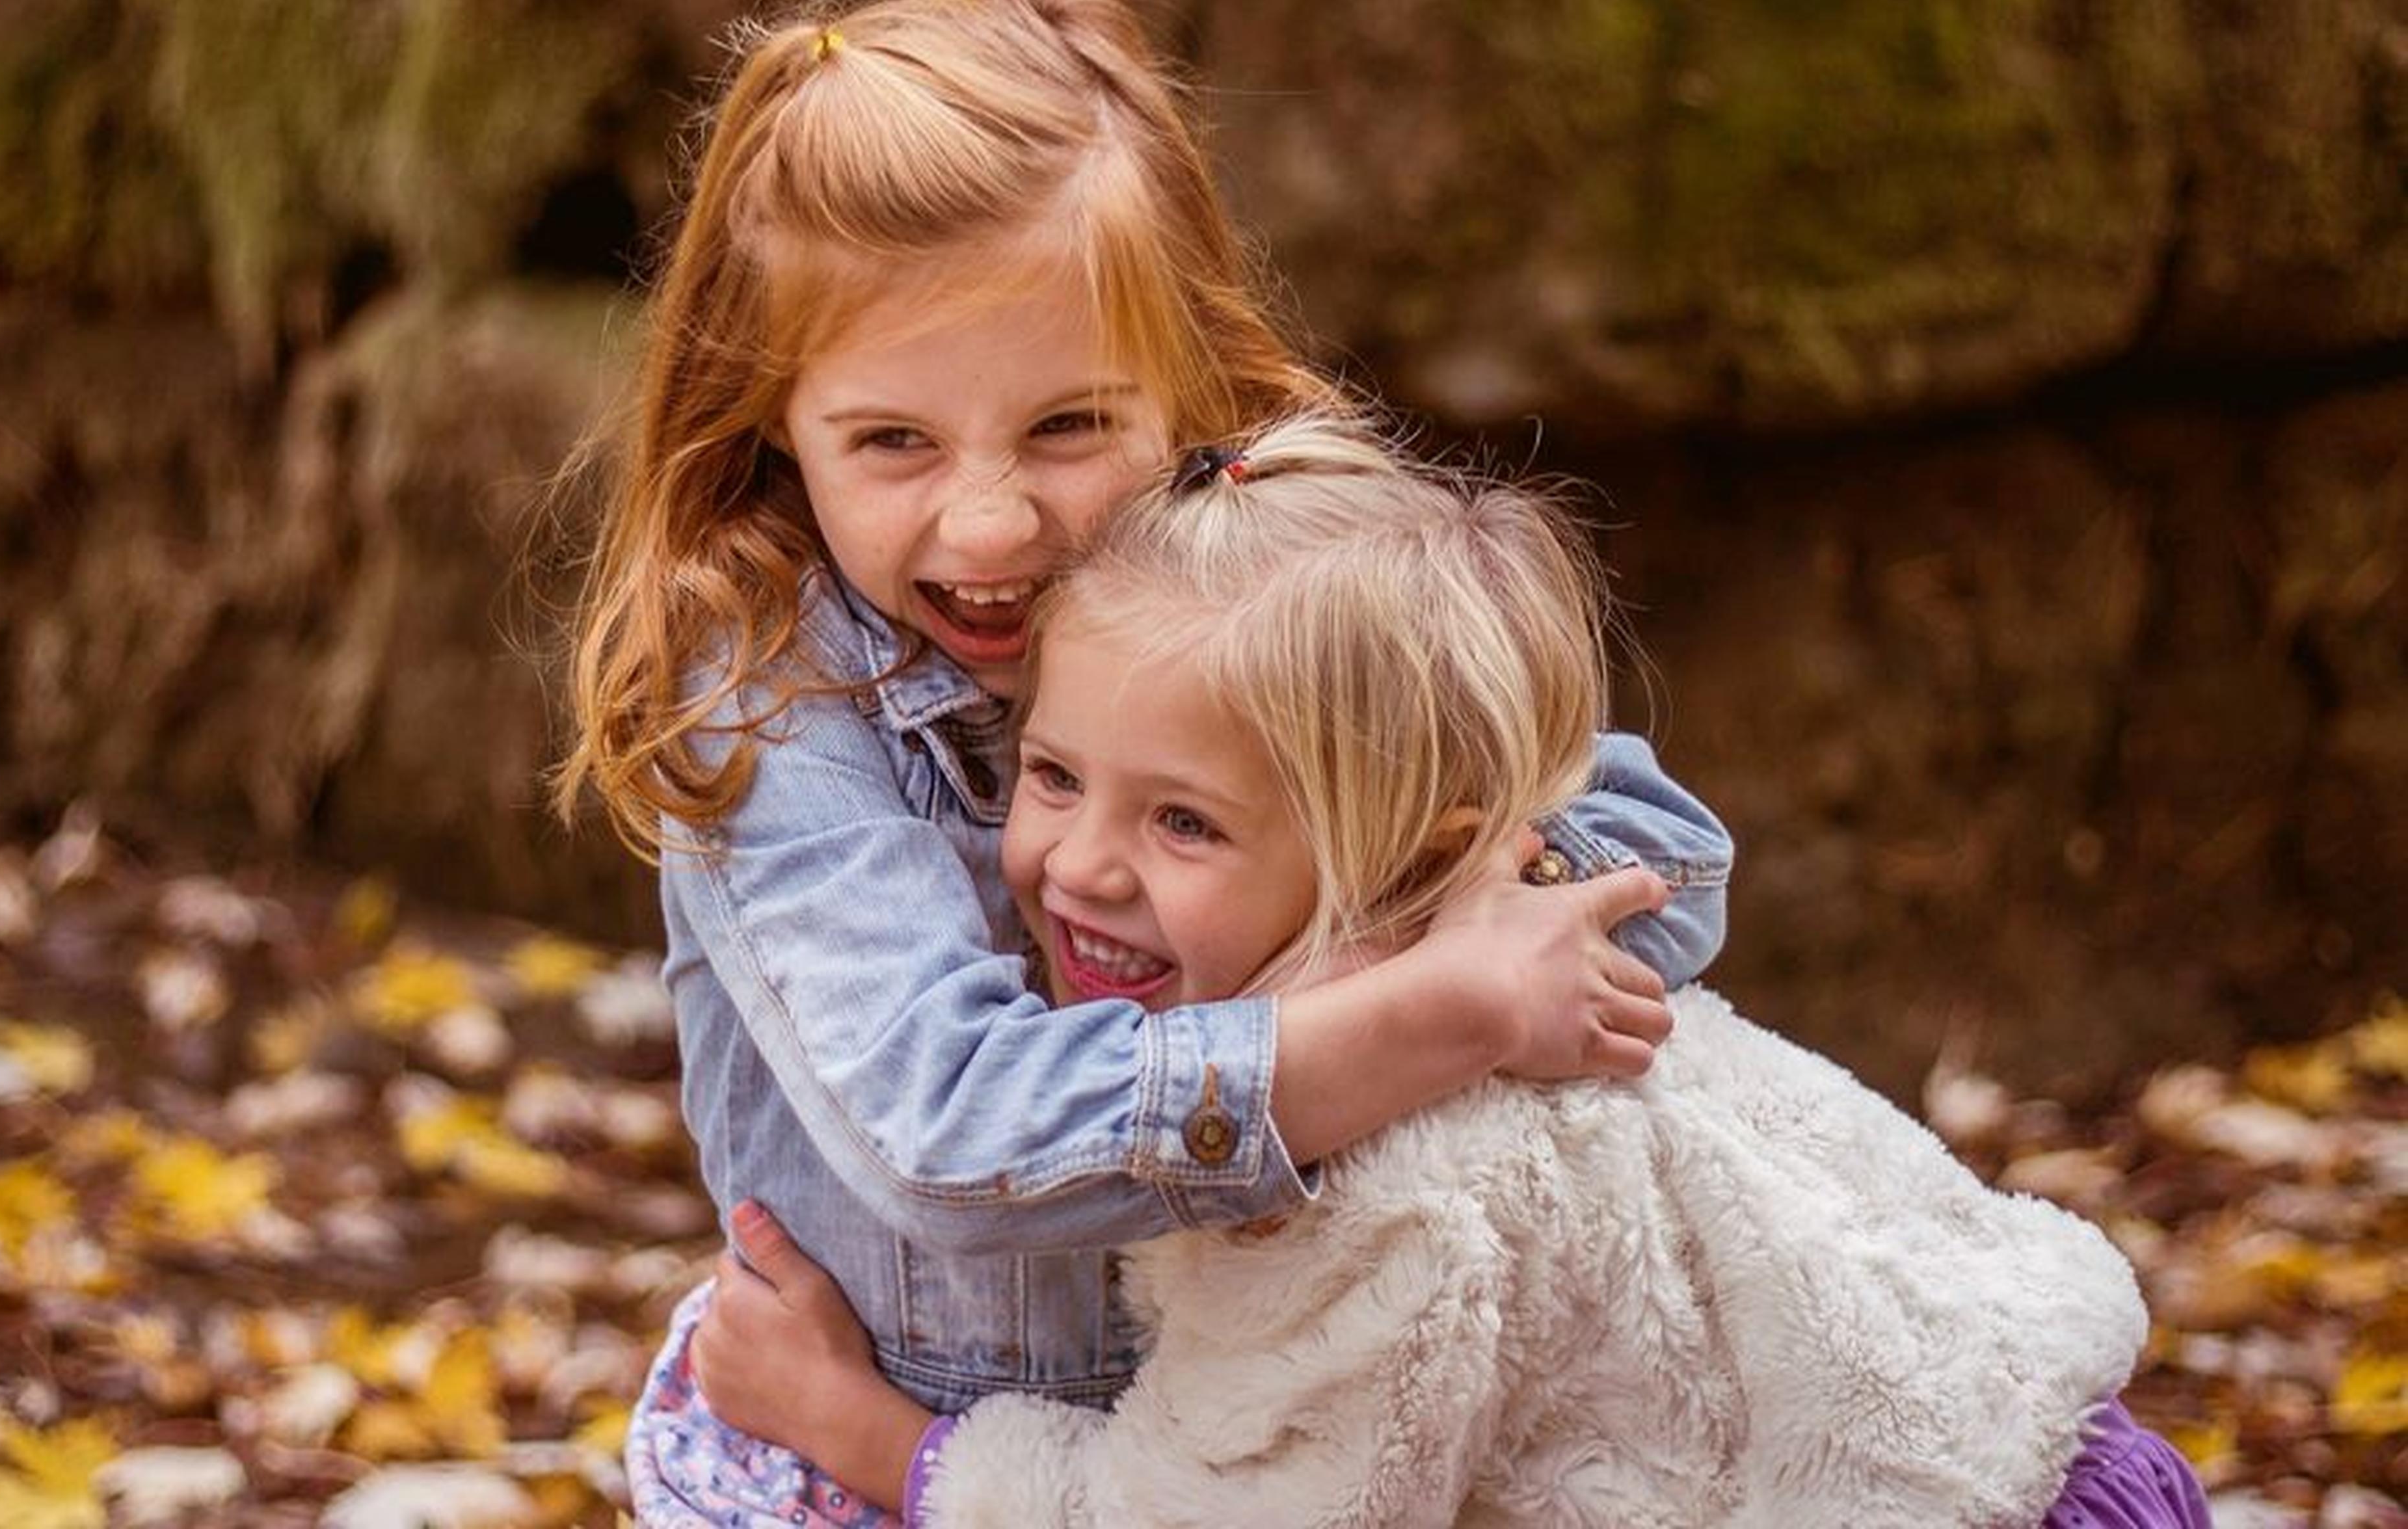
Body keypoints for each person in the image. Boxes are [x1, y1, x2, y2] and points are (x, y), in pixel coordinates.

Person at [554, 0, 1735, 1524]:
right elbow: (951, 1132)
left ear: (1187, 381)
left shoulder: (1262, 589)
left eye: (1067, 429)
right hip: (888, 1443)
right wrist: (1417, 1013)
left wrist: (1413, 917)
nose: (990, 521)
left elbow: (1663, 865)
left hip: (1243, 1434)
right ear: (773, 415)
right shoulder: (775, 698)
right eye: (893, 440)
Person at [691, 411, 2213, 1528]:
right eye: (1053, 775)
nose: (1083, 865)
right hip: (2028, 1436)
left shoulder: (1369, 1177)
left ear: (1417, 849)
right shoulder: (1514, 950)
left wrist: (873, 1433)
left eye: (1185, 821)